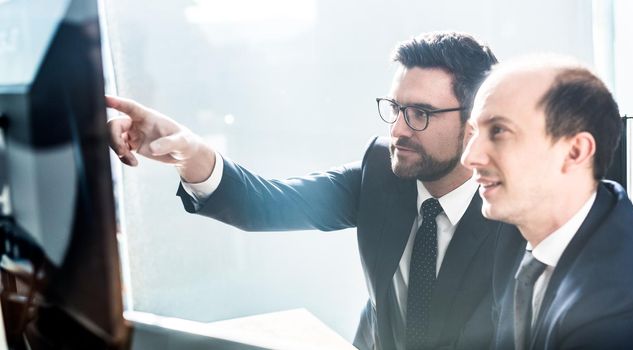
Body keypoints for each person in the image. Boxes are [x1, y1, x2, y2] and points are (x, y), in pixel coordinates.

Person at [107, 31, 521, 350]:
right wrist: (187, 150)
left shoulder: (520, 213)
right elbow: (265, 204)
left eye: (419, 114)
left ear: (473, 128)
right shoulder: (381, 172)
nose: (396, 130)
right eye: (395, 109)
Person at [461, 55, 633, 349]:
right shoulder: (516, 231)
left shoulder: (620, 313)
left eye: (499, 131)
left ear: (575, 152)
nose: (469, 157)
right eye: (473, 133)